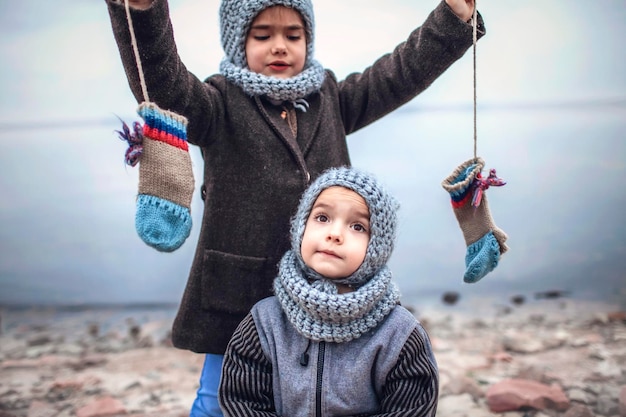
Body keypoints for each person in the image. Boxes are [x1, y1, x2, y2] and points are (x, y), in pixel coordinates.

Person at [105, 0, 483, 415]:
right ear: (238, 41)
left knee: (314, 395)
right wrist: (143, 13)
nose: (279, 47)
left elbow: (399, 73)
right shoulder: (217, 103)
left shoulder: (332, 99)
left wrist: (453, 19)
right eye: (262, 35)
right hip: (239, 292)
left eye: (293, 35)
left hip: (323, 289)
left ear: (308, 39)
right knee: (218, 401)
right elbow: (164, 82)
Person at [219, 166, 439, 416]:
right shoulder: (265, 322)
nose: (334, 234)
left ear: (377, 246)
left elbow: (412, 408)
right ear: (301, 226)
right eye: (322, 218)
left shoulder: (399, 333)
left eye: (357, 226)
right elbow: (242, 401)